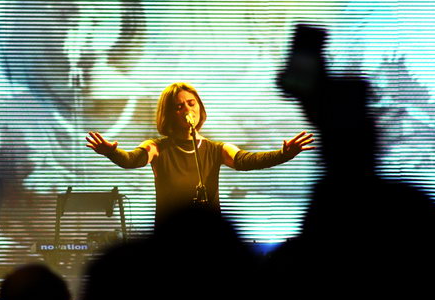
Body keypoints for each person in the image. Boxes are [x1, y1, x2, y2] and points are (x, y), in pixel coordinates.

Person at [85, 82, 314, 222]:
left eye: (191, 103)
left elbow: (246, 160)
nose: (187, 109)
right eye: (179, 106)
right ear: (170, 113)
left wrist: (284, 154)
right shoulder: (158, 147)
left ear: (200, 107)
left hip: (207, 236)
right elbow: (131, 160)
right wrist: (111, 152)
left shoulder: (216, 149)